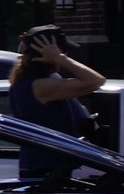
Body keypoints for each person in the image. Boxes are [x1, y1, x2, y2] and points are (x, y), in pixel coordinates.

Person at [6, 25, 103, 181]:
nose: (65, 54)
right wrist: (60, 58)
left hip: (44, 169)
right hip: (44, 171)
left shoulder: (32, 81)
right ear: (47, 54)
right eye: (62, 51)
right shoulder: (40, 86)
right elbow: (96, 81)